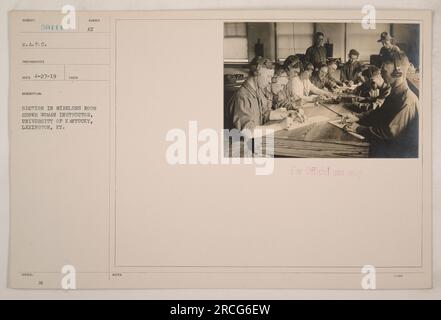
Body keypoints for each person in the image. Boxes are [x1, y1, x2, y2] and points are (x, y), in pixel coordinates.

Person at [342, 52, 418, 158]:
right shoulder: (394, 92)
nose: (381, 75)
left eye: (384, 72)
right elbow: (379, 113)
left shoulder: (407, 100)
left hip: (393, 155)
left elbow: (388, 133)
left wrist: (359, 128)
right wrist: (357, 117)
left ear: (398, 73)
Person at [226, 56, 292, 133]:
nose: (270, 81)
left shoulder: (257, 92)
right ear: (256, 73)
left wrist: (287, 114)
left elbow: (264, 115)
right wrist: (280, 126)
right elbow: (248, 131)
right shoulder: (242, 97)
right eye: (268, 76)